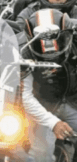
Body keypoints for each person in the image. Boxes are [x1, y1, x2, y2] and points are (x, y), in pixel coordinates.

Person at [20, 9, 77, 162]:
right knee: (41, 154)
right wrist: (53, 123)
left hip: (72, 102)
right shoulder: (22, 52)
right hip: (41, 105)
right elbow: (25, 97)